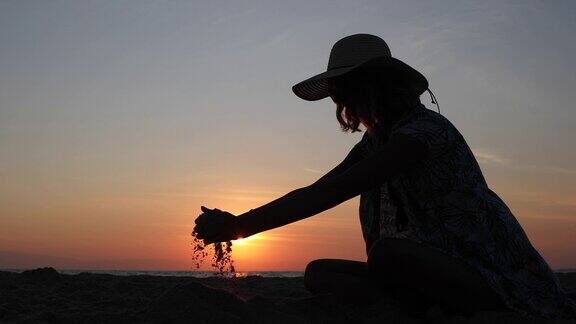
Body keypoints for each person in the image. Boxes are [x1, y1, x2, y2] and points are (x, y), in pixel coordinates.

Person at [193, 34, 576, 320]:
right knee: (319, 272)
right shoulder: (379, 142)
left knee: (387, 256)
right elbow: (316, 188)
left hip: (493, 278)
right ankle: (418, 307)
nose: (342, 105)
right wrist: (237, 225)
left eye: (345, 93)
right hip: (430, 274)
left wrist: (239, 225)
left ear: (373, 87)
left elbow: (332, 192)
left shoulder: (423, 134)